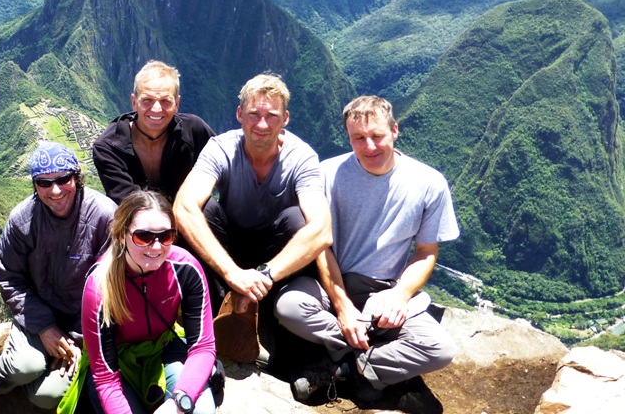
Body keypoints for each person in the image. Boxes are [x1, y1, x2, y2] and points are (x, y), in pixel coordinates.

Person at [275, 95, 459, 404]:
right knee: (289, 307)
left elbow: (426, 252)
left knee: (440, 349)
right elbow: (319, 245)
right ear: (348, 137)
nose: (369, 146)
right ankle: (380, 369)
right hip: (334, 283)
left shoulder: (429, 183)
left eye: (377, 136)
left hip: (385, 291)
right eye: (358, 138)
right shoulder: (327, 174)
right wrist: (343, 306)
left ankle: (348, 368)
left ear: (395, 131)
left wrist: (400, 295)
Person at [172, 73, 332, 361]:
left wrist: (264, 275)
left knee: (299, 221)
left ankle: (264, 313)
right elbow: (183, 207)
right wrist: (233, 274)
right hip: (229, 251)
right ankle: (221, 306)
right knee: (204, 211)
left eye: (271, 115)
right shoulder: (221, 147)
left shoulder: (302, 157)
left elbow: (321, 230)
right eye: (253, 114)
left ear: (285, 119)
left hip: (276, 258)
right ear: (239, 115)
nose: (261, 124)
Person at [0, 141, 117, 409]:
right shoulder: (22, 220)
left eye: (64, 179)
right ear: (35, 185)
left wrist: (81, 339)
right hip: (36, 314)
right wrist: (46, 328)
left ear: (77, 178)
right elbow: (9, 277)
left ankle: (24, 390)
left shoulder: (104, 216)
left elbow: (112, 287)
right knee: (23, 366)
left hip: (83, 324)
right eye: (45, 183)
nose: (56, 190)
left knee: (46, 397)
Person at [78, 190, 217, 414]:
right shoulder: (99, 286)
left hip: (164, 347)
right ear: (122, 234)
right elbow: (105, 378)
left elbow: (202, 346)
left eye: (165, 237)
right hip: (118, 364)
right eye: (143, 237)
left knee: (201, 411)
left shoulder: (186, 269)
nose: (156, 247)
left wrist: (179, 402)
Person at [93, 60, 215, 204]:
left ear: (177, 104)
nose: (156, 109)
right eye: (147, 100)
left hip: (186, 213)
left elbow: (227, 162)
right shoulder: (109, 147)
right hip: (133, 218)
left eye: (165, 101)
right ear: (134, 102)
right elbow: (128, 203)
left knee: (211, 208)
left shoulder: (194, 131)